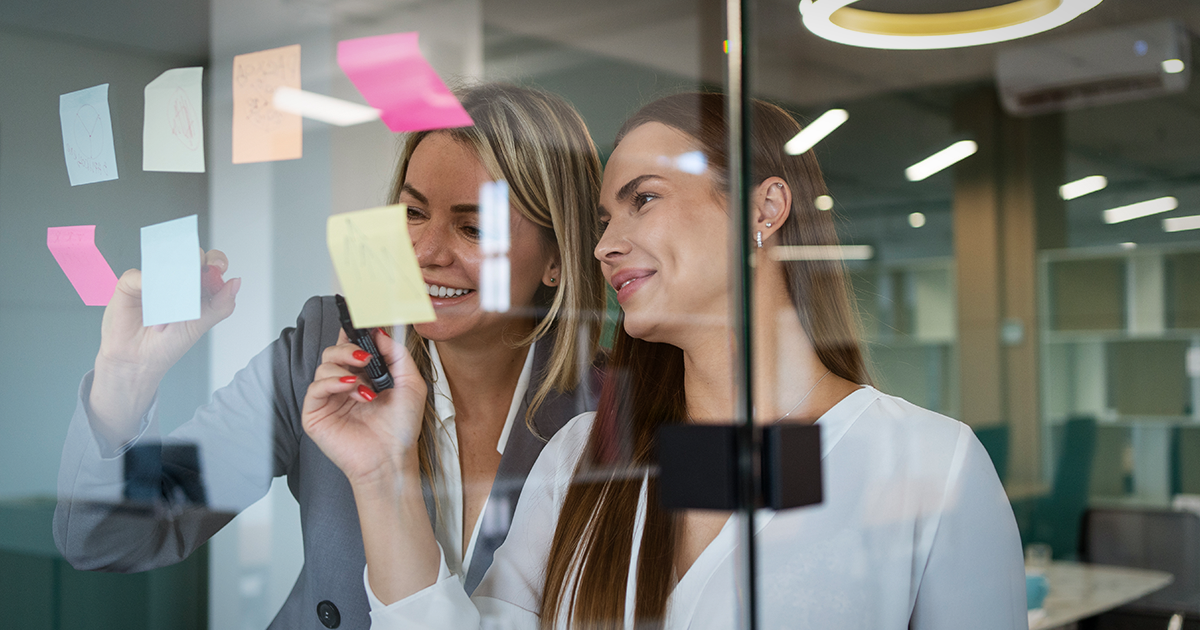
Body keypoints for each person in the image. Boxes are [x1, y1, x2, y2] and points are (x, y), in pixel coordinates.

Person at [306, 92, 1026, 629]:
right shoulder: (583, 457)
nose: (604, 246)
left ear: (762, 208)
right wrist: (381, 475)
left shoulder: (931, 464)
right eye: (603, 219)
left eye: (641, 201)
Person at [53, 83, 606, 630]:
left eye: (474, 227)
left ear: (556, 258)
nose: (426, 252)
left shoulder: (608, 411)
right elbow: (105, 541)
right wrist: (125, 376)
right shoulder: (327, 347)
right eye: (413, 213)